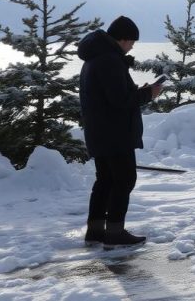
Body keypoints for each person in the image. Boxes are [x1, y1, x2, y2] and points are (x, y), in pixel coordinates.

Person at [78, 16, 164, 247]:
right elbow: (120, 100)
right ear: (123, 39)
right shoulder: (110, 60)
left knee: (105, 180)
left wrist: (140, 91)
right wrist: (148, 94)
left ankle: (95, 230)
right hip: (115, 132)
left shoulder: (94, 59)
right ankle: (115, 232)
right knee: (124, 179)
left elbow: (111, 94)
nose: (133, 46)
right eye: (132, 41)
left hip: (99, 130)